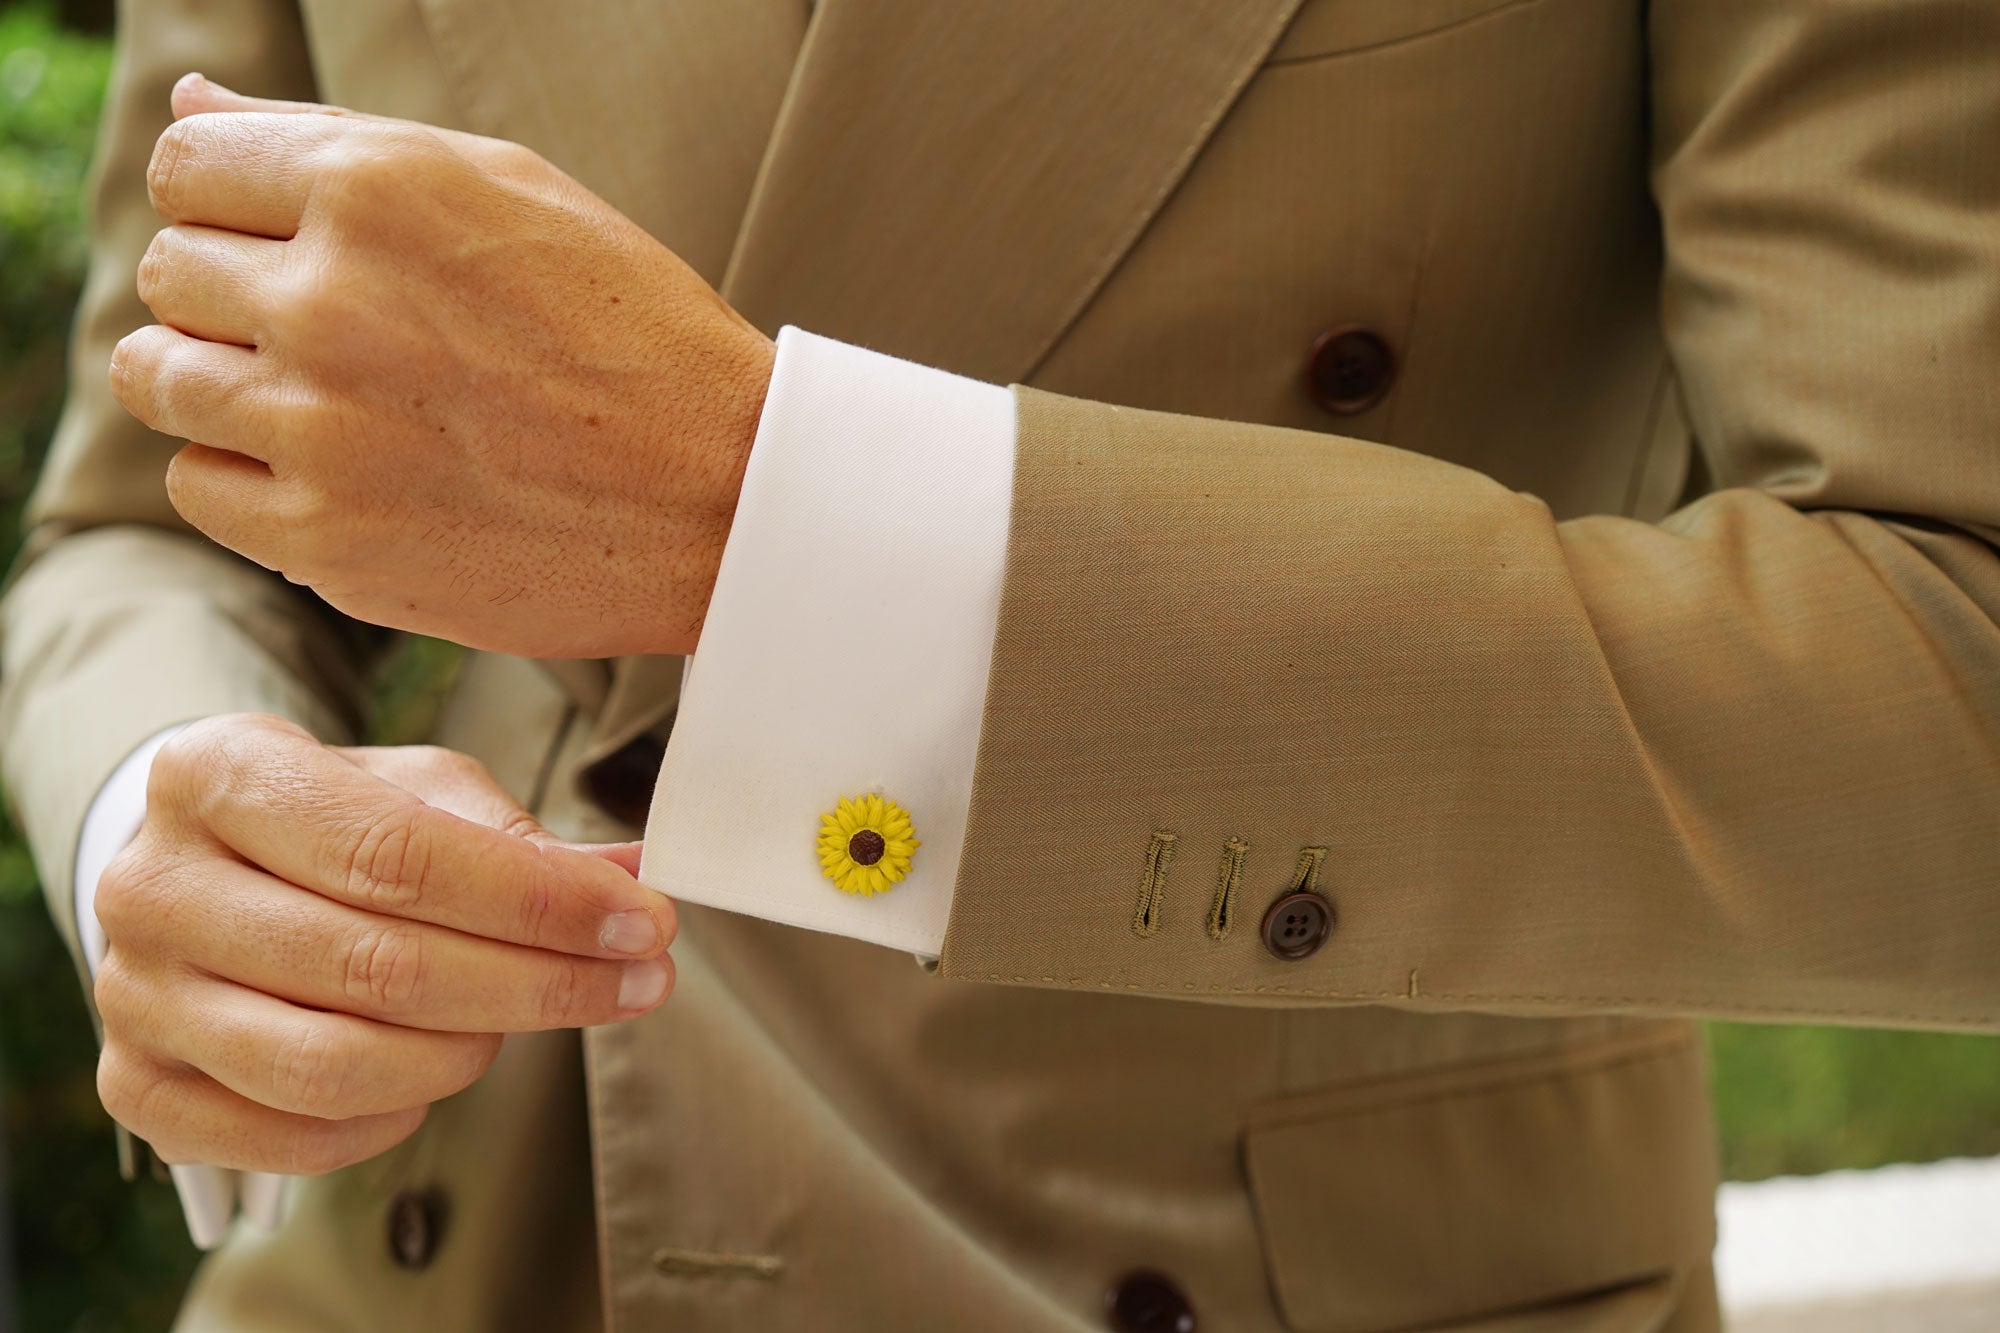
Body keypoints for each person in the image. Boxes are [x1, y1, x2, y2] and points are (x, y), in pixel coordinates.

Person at [5, 0, 1997, 1328]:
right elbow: (141, 504)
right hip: (451, 1242)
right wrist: (165, 820)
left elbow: (1951, 674)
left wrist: (789, 520)